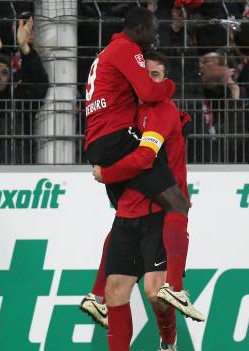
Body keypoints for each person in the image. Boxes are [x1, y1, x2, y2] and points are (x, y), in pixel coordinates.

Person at [82, 7, 202, 321]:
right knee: (178, 202)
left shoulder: (105, 53)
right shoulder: (127, 48)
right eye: (153, 28)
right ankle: (174, 286)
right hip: (117, 138)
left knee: (122, 217)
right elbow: (149, 91)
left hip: (97, 140)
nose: (155, 34)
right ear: (140, 27)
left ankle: (97, 297)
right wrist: (169, 88)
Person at [85, 51, 190, 351]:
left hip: (160, 212)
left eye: (158, 76)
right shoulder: (126, 110)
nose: (150, 82)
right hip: (129, 212)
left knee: (155, 294)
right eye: (148, 76)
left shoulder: (162, 111)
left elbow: (145, 160)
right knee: (116, 291)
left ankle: (168, 340)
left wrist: (106, 173)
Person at [0, 16, 48, 164]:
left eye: (4, 72)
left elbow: (39, 84)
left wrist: (25, 50)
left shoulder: (18, 100)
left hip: (20, 170)